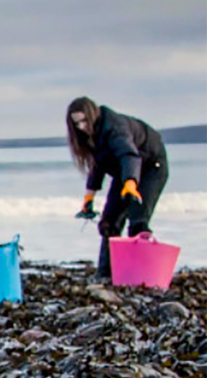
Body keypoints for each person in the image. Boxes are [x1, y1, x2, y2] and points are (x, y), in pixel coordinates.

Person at [66, 96, 168, 280]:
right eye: (77, 123)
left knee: (138, 220)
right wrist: (89, 196)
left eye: (84, 121)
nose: (81, 127)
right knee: (109, 223)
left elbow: (129, 155)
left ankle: (140, 276)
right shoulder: (91, 137)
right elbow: (98, 166)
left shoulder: (115, 128)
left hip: (150, 166)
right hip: (126, 172)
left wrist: (130, 182)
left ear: (92, 115)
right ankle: (105, 274)